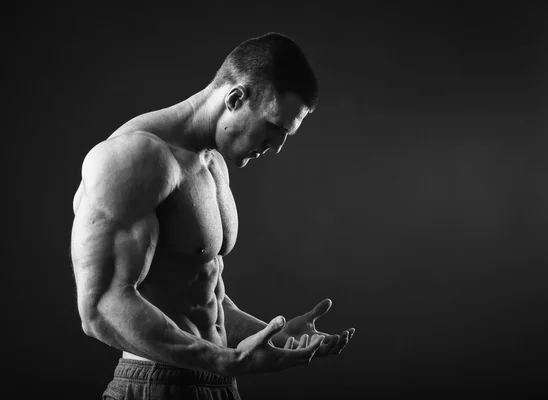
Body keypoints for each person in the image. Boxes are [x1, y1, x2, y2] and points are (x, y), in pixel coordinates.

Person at [70, 32, 355, 400]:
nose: (277, 147)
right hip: (155, 386)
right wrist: (223, 360)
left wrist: (276, 334)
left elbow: (200, 294)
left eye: (287, 135)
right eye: (273, 127)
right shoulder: (134, 159)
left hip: (216, 383)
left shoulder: (212, 163)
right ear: (235, 97)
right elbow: (100, 307)